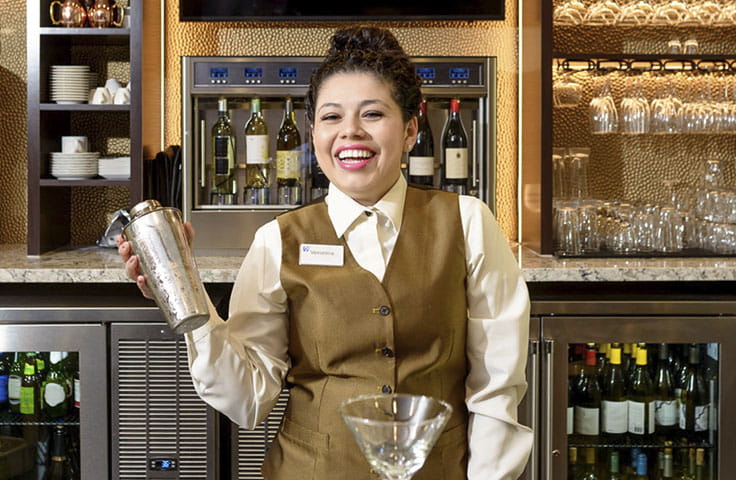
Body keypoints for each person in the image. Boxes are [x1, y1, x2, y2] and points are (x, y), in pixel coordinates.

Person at [118, 26, 532, 480]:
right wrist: (188, 299)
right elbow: (247, 400)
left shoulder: (469, 222)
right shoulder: (277, 240)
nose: (350, 131)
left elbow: (495, 388)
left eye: (373, 114)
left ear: (411, 129)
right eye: (332, 117)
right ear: (313, 133)